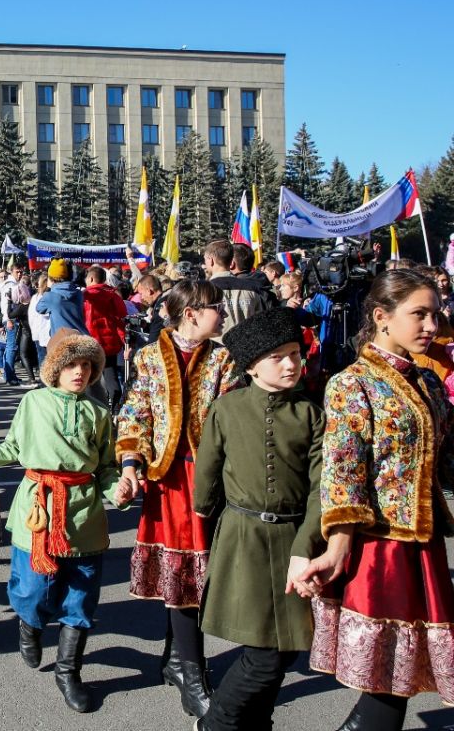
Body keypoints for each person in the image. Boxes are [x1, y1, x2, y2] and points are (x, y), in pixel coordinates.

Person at [296, 269, 454, 731]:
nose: (431, 325)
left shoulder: (426, 383)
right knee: (389, 678)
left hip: (422, 544)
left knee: (395, 681)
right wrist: (337, 548)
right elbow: (343, 474)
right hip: (379, 548)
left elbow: (444, 462)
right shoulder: (353, 383)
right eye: (419, 314)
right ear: (382, 318)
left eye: (435, 314)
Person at [0, 329, 137, 712]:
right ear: (55, 368)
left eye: (87, 365)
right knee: (32, 592)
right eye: (71, 364)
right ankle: (30, 628)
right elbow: (13, 448)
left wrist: (116, 489)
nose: (80, 372)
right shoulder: (33, 402)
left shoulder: (100, 413)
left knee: (81, 599)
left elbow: (104, 468)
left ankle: (68, 672)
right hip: (37, 509)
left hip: (83, 515)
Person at [192, 308, 324, 731]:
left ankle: (248, 723)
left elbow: (323, 485)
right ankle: (219, 724)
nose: (291, 364)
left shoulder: (311, 412)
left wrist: (307, 543)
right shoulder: (226, 409)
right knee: (264, 652)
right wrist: (206, 519)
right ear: (251, 366)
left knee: (284, 648)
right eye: (277, 357)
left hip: (294, 538)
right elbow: (207, 474)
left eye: (295, 354)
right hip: (243, 537)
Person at [115, 279, 240, 719]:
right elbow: (136, 413)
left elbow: (233, 418)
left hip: (211, 479)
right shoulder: (150, 357)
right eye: (215, 307)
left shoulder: (224, 359)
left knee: (198, 575)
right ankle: (192, 671)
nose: (222, 314)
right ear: (191, 313)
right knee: (185, 575)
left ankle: (174, 658)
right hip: (170, 481)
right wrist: (130, 465)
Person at [82, 266, 128, 411]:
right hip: (110, 344)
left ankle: (95, 410)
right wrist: (123, 339)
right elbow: (122, 318)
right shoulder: (113, 295)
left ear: (91, 279)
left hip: (90, 342)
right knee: (111, 376)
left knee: (89, 378)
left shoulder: (85, 296)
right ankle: (115, 409)